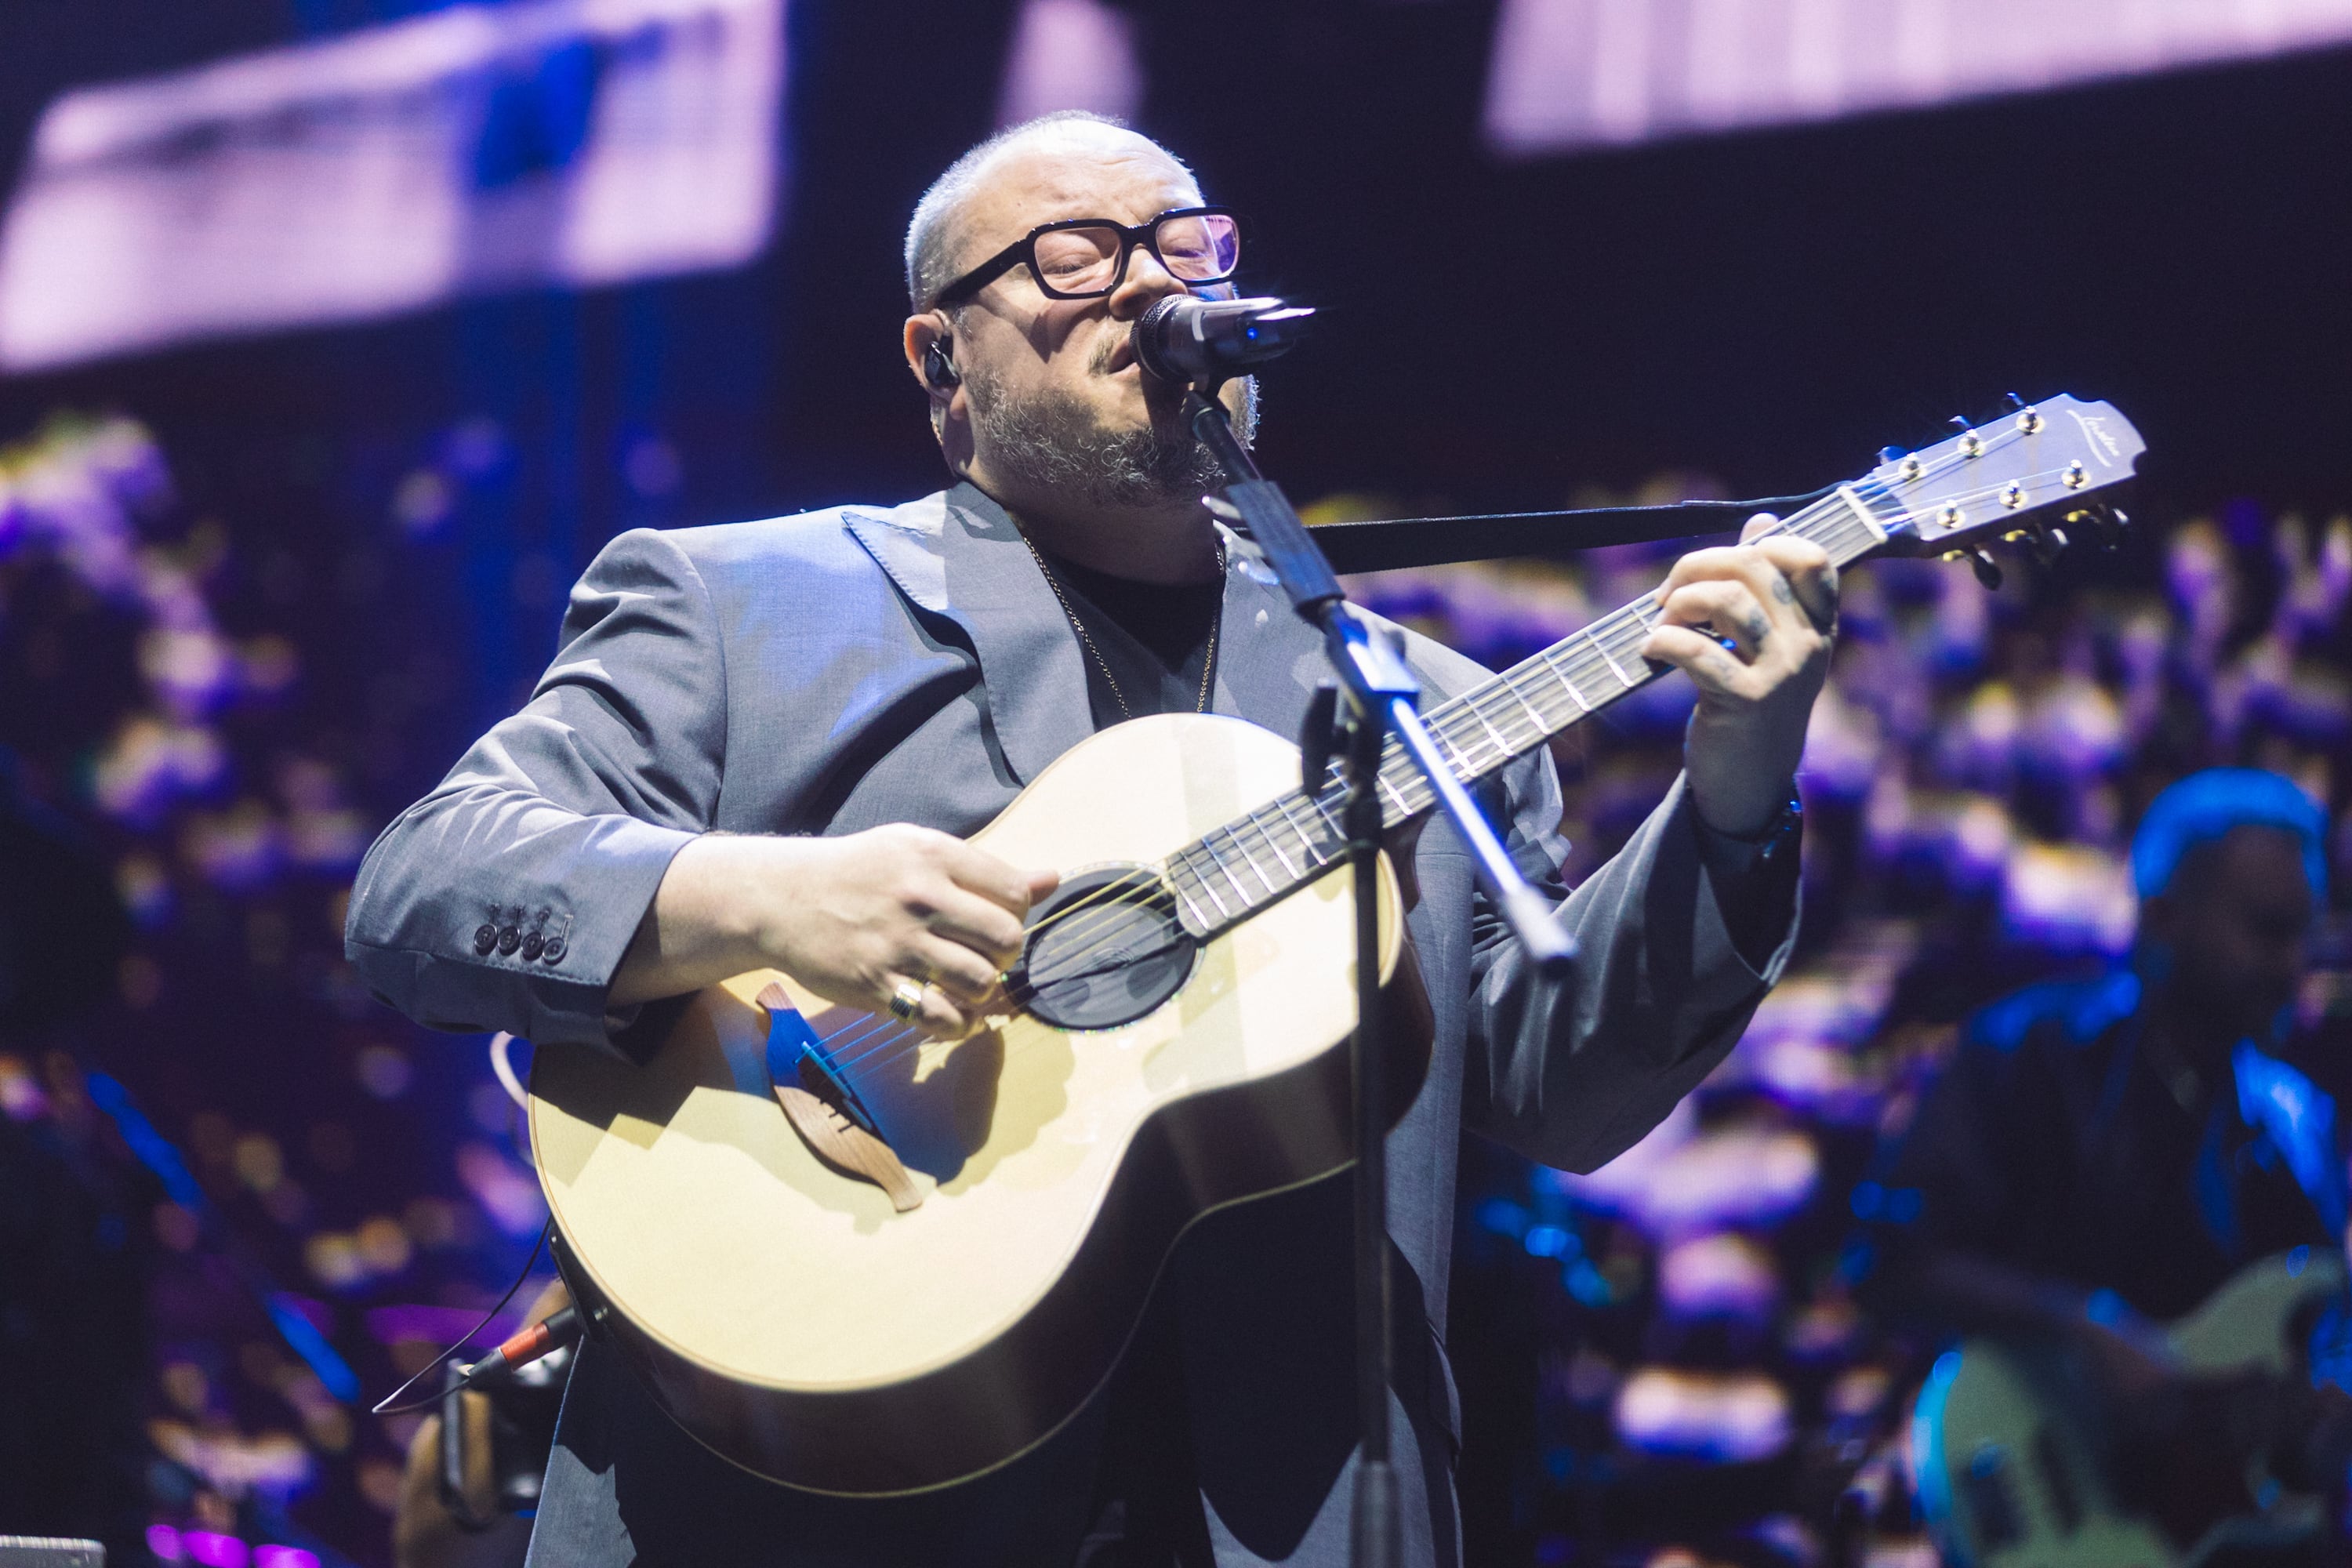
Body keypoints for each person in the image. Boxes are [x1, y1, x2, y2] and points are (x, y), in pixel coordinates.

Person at [345, 111, 1836, 1567]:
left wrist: (1741, 781)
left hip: (1285, 1505)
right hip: (807, 1495)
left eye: (1185, 244)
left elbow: (1558, 1088)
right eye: (1073, 254)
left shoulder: (1413, 709)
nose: (1148, 282)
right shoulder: (740, 606)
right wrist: (766, 899)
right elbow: (426, 883)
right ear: (943, 360)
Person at [1857, 768, 2339, 1501]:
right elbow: (1892, 1264)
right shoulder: (2025, 1057)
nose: (2291, 966)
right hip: (2016, 1489)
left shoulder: (2295, 1119)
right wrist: (2078, 1328)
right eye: (2266, 930)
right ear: (2163, 917)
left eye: (2303, 933)